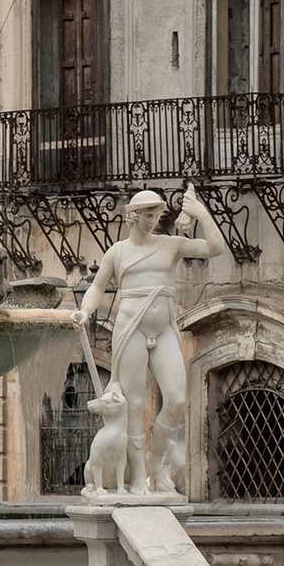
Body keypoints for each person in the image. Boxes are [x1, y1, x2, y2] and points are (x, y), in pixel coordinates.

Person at [73, 188, 230, 495]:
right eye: (148, 215)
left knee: (176, 399)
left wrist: (198, 211)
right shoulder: (117, 252)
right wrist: (84, 310)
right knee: (132, 404)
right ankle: (134, 479)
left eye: (157, 215)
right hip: (131, 328)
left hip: (164, 329)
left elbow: (215, 247)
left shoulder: (171, 246)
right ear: (133, 217)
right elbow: (97, 287)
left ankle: (154, 462)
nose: (155, 220)